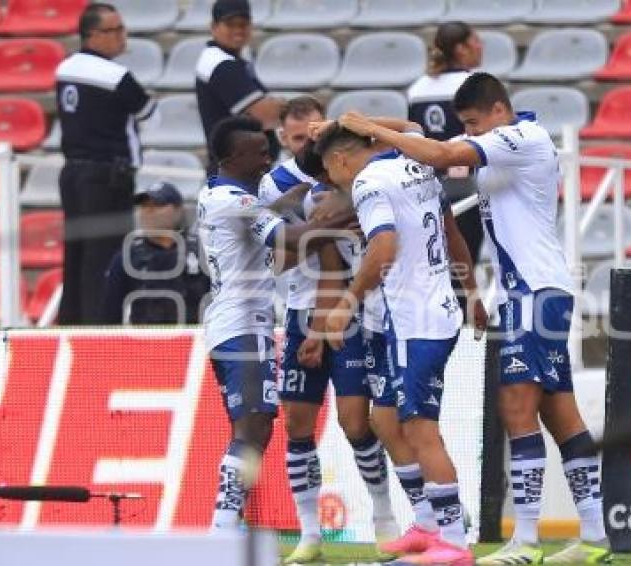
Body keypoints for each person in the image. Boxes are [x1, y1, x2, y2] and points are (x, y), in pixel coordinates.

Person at [338, 72, 612, 565]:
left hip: (534, 290)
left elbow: (439, 155)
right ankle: (594, 536)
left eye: (471, 123)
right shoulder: (502, 139)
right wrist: (358, 125)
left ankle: (525, 544)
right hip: (529, 290)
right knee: (559, 414)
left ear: (498, 111)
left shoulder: (519, 137)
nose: (468, 132)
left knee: (516, 410)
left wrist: (365, 127)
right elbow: (420, 133)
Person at [315, 123, 472, 565]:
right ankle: (425, 523)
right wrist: (355, 123)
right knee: (386, 421)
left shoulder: (367, 182)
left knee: (420, 428)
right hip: (425, 311)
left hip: (415, 319)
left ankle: (455, 542)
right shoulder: (414, 159)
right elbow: (409, 127)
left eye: (330, 169)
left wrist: (347, 301)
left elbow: (383, 248)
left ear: (341, 160)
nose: (333, 180)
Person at [257, 98, 399, 564]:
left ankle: (384, 520)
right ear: (284, 139)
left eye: (315, 135)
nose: (308, 145)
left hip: (349, 309)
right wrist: (324, 228)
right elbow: (279, 256)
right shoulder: (275, 185)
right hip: (299, 311)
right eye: (299, 139)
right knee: (297, 426)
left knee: (357, 422)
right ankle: (310, 533)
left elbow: (337, 262)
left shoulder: (352, 174)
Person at [198, 116, 353, 530]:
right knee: (254, 427)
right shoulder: (237, 201)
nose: (268, 157)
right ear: (232, 156)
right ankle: (222, 527)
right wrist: (343, 218)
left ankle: (229, 522)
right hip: (242, 326)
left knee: (254, 425)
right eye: (259, 151)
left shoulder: (224, 192)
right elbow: (291, 241)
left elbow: (276, 196)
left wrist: (294, 191)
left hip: (233, 325)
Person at [55, 3, 155, 324]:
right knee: (105, 259)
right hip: (107, 175)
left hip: (73, 173)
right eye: (115, 30)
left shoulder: (65, 67)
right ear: (94, 35)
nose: (122, 36)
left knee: (77, 256)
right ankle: (98, 333)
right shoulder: (116, 75)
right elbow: (149, 112)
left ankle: (70, 326)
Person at [407, 21, 485, 289]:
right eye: (476, 41)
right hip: (465, 182)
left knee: (433, 257)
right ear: (461, 48)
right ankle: (463, 318)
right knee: (465, 255)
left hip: (425, 182)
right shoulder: (473, 83)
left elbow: (412, 136)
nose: (480, 46)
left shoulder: (417, 88)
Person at [102, 181, 210, 324]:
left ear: (178, 210)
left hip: (194, 340)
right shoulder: (128, 256)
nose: (148, 212)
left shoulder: (202, 252)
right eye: (144, 206)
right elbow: (109, 314)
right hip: (145, 341)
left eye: (157, 205)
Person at [195, 0, 284, 172]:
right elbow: (267, 115)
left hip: (240, 169)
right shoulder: (219, 63)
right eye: (230, 24)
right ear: (213, 27)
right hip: (236, 173)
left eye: (243, 24)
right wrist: (285, 106)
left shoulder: (230, 60)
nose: (238, 30)